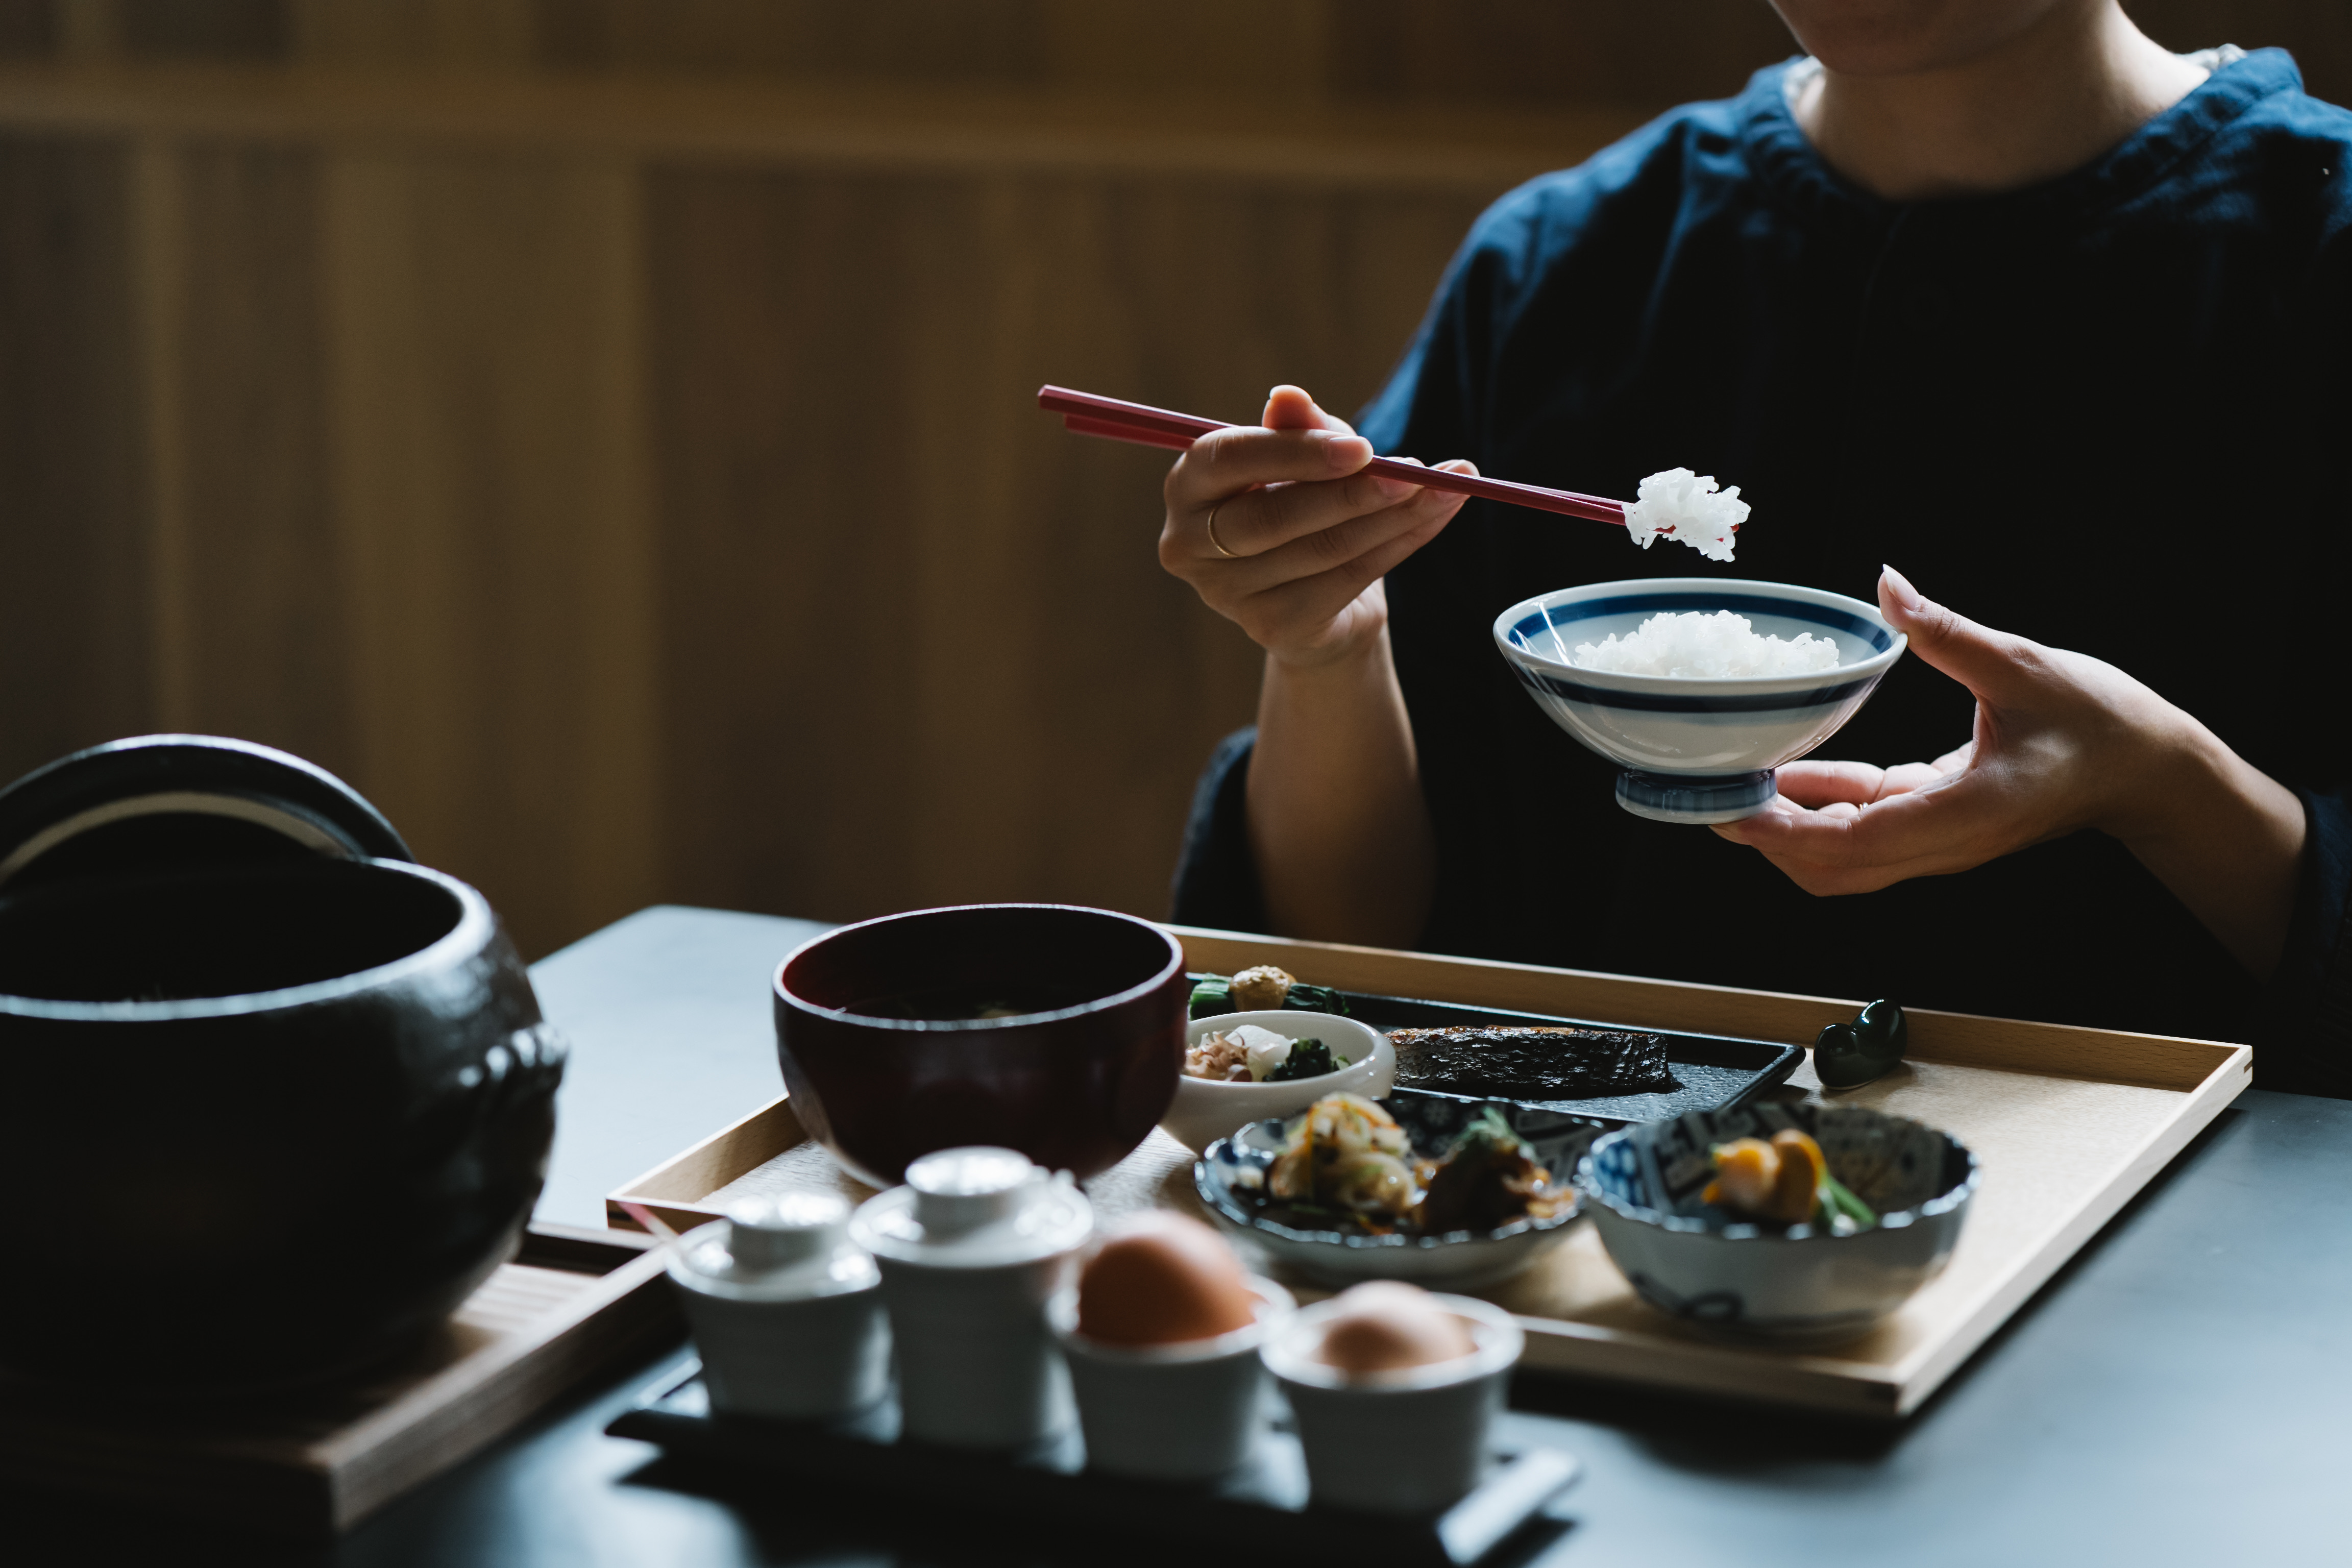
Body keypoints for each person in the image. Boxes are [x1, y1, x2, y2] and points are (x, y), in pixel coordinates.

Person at [1159, 0, 2352, 1095]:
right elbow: (1363, 959)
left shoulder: (2314, 245)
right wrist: (1324, 648)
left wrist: (2167, 791)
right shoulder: (1563, 266)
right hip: (1589, 1255)